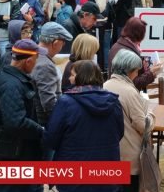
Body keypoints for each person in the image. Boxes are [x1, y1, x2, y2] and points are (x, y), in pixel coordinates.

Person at [43, 60, 123, 192]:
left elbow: (51, 138)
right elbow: (119, 133)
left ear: (82, 77)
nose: (69, 78)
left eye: (72, 75)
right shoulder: (114, 102)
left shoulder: (66, 103)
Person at [0, 39, 44, 192]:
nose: (36, 64)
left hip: (7, 151)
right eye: (35, 61)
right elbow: (15, 122)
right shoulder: (12, 85)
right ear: (28, 61)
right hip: (13, 154)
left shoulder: (2, 75)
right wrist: (41, 130)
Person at [103, 49, 156, 192]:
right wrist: (150, 114)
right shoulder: (129, 91)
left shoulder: (105, 85)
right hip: (129, 156)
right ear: (130, 71)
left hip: (111, 152)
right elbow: (142, 125)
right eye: (137, 71)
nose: (137, 74)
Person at [31, 22, 72, 127]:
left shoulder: (36, 55)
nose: (63, 46)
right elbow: (49, 104)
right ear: (55, 42)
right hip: (44, 123)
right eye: (63, 43)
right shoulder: (45, 65)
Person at [108, 17, 162, 91]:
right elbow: (132, 83)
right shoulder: (126, 51)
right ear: (139, 34)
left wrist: (144, 67)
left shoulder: (121, 44)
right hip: (125, 95)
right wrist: (151, 73)